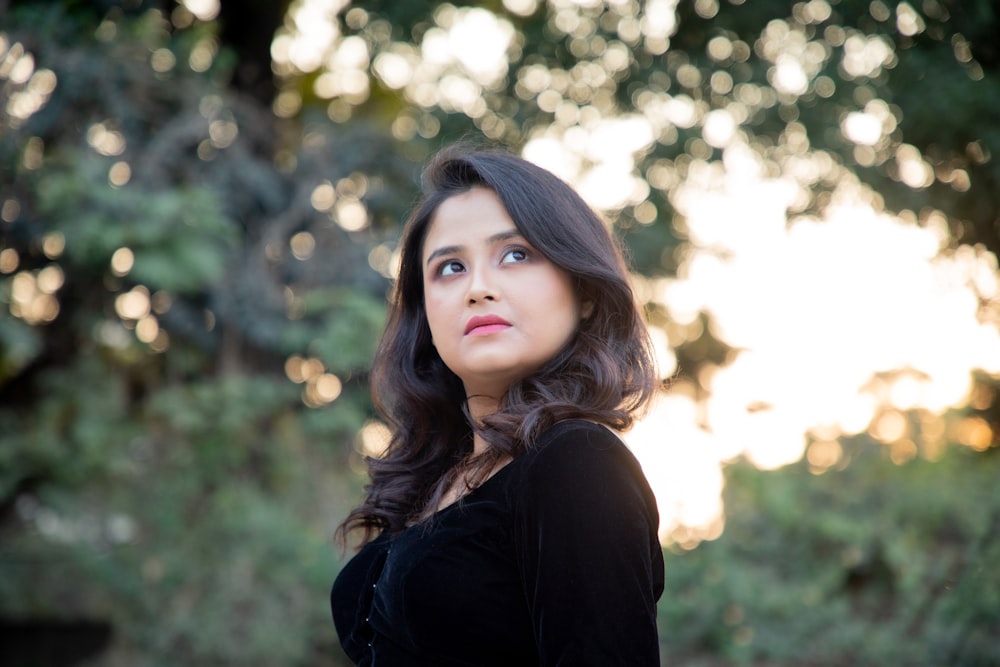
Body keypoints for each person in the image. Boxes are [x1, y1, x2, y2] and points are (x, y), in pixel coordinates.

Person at [330, 144, 664, 666]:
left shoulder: (577, 462)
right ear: (425, 314)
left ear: (586, 292)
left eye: (515, 255)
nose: (478, 288)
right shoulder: (433, 482)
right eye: (450, 268)